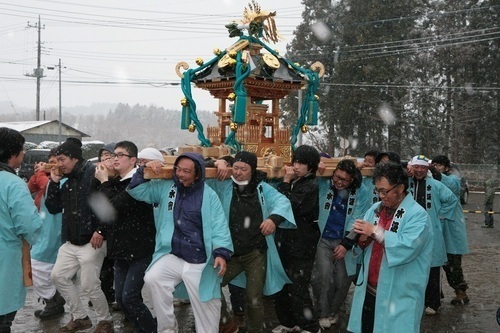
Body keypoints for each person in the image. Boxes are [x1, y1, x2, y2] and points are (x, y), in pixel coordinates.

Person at [127, 152, 233, 333]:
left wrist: (222, 253)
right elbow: (137, 191)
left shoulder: (209, 195)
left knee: (207, 307)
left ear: (197, 174)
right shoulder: (167, 188)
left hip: (200, 258)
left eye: (186, 171)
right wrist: (144, 170)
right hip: (173, 254)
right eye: (178, 169)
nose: (180, 174)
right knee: (153, 278)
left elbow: (219, 226)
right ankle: (167, 329)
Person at [208, 151, 296, 333]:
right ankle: (226, 323)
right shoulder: (223, 184)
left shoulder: (262, 188)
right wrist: (218, 162)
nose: (238, 172)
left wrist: (273, 219)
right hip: (229, 252)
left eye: (244, 169)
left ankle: (254, 330)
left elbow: (283, 202)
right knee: (208, 284)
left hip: (255, 253)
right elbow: (198, 169)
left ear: (252, 171)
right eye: (236, 168)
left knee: (253, 298)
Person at [347, 161, 433, 333]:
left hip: (399, 294)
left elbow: (407, 247)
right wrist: (362, 239)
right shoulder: (375, 209)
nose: (380, 196)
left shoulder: (418, 215)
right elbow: (363, 246)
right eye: (378, 190)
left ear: (400, 188)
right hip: (370, 291)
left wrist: (375, 231)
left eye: (384, 191)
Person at [45, 137, 114, 333]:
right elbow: (53, 207)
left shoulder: (94, 173)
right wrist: (54, 182)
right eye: (57, 160)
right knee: (58, 276)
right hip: (71, 241)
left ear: (74, 158)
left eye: (61, 160)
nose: (58, 164)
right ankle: (80, 317)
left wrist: (101, 230)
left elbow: (107, 205)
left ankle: (105, 321)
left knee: (89, 285)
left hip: (92, 240)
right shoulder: (67, 179)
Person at [94, 141, 157, 332]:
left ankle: (152, 329)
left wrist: (104, 181)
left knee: (130, 297)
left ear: (133, 160)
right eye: (114, 155)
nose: (115, 158)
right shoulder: (117, 181)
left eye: (120, 155)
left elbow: (115, 206)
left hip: (139, 249)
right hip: (120, 250)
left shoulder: (138, 181)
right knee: (121, 299)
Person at [312, 159, 371, 329]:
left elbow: (358, 219)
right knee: (323, 276)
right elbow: (310, 174)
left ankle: (333, 311)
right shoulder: (324, 183)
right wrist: (318, 165)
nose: (338, 182)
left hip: (345, 239)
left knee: (343, 279)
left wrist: (346, 244)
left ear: (352, 180)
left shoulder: (361, 191)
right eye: (336, 177)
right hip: (323, 238)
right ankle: (322, 313)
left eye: (344, 180)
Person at [272, 145, 321, 333]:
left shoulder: (310, 185)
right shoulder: (298, 181)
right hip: (286, 242)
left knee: (298, 289)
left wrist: (285, 181)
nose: (297, 166)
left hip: (301, 245)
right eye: (296, 161)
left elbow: (288, 206)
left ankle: (310, 326)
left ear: (311, 166)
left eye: (302, 163)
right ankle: (288, 323)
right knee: (283, 286)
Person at [0, 127, 42, 333]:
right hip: (5, 261)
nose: (24, 153)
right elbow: (29, 224)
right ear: (11, 154)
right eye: (22, 149)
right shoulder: (12, 184)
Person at [407, 154, 459, 316]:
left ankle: (433, 302)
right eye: (417, 167)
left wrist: (441, 214)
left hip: (431, 231)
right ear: (412, 167)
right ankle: (414, 300)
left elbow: (451, 199)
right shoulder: (405, 183)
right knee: (411, 266)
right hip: (410, 230)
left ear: (428, 169)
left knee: (432, 268)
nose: (420, 170)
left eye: (423, 167)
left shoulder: (435, 185)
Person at [27, 148, 66, 320]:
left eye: (57, 160)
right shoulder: (49, 178)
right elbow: (30, 187)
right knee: (41, 267)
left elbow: (47, 187)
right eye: (51, 160)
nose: (53, 164)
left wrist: (42, 173)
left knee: (37, 264)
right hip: (44, 226)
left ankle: (54, 299)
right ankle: (53, 300)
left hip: (54, 229)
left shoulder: (64, 181)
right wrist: (38, 173)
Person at [431, 155, 470, 305]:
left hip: (451, 228)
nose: (436, 167)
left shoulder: (452, 178)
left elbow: (452, 185)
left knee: (452, 264)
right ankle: (435, 293)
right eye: (434, 164)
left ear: (446, 167)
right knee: (433, 263)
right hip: (436, 227)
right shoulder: (431, 180)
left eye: (439, 165)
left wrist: (437, 174)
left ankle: (461, 292)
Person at [96, 143, 118, 309]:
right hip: (105, 231)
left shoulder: (120, 178)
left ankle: (126, 303)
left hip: (119, 231)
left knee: (121, 268)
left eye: (109, 156)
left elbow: (113, 208)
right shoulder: (97, 177)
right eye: (103, 156)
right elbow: (97, 206)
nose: (106, 159)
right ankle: (106, 295)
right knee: (105, 268)